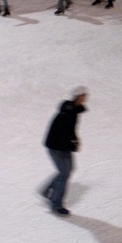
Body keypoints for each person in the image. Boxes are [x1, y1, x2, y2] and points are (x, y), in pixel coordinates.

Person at [41, 87, 87, 215]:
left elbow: (71, 130)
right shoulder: (67, 114)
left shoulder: (73, 111)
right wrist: (72, 145)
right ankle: (56, 204)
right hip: (56, 147)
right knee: (64, 174)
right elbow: (62, 134)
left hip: (62, 146)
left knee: (69, 170)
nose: (86, 97)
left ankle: (47, 190)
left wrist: (76, 139)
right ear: (78, 97)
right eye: (84, 95)